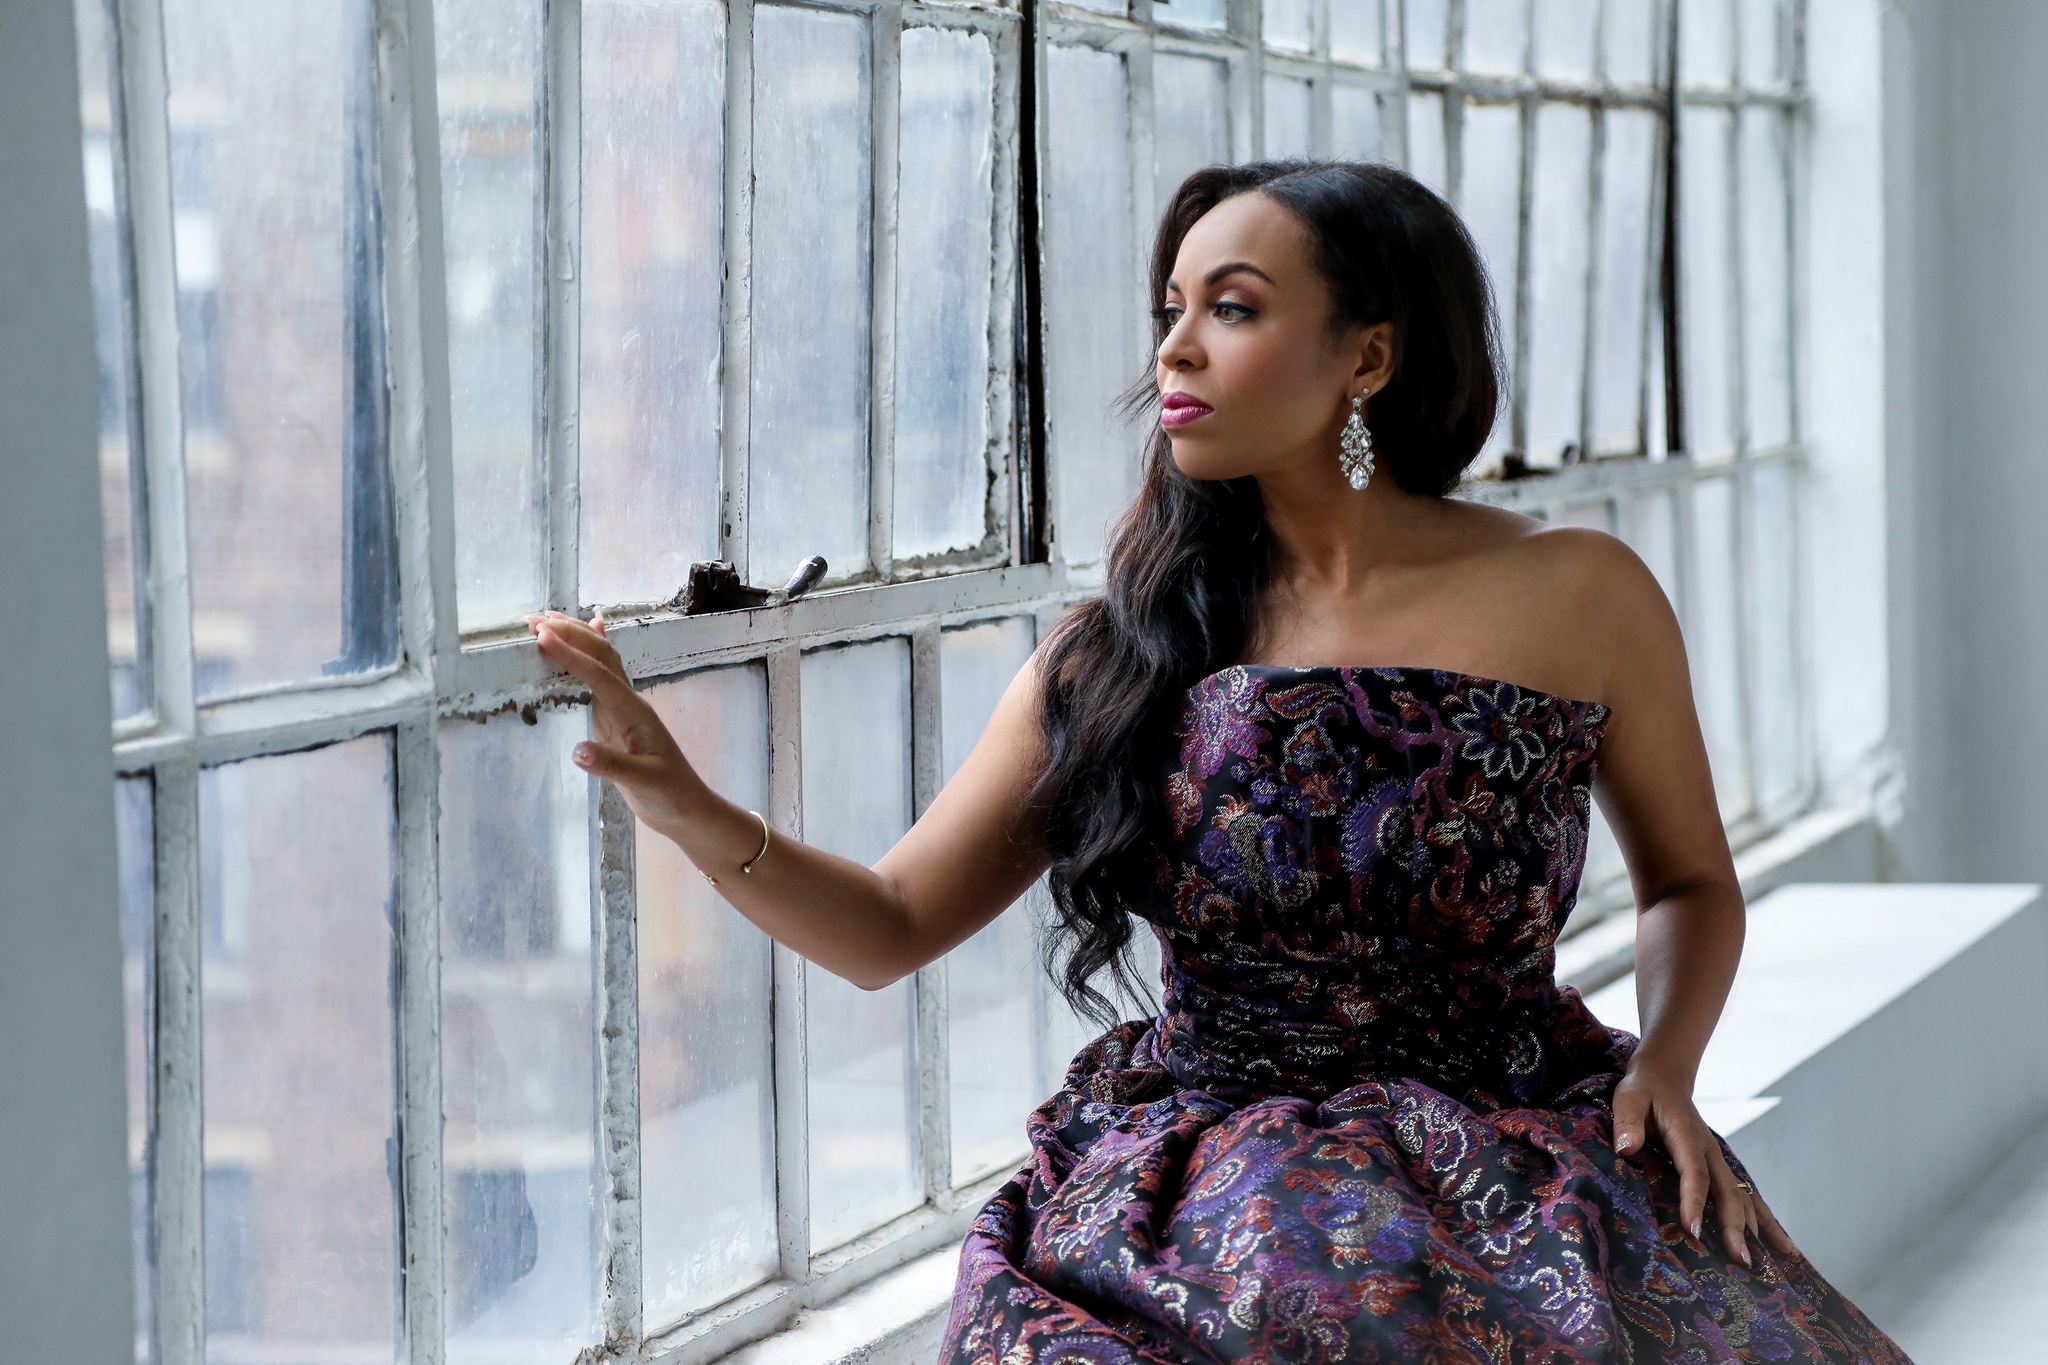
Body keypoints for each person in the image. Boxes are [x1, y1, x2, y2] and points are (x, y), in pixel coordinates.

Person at [529, 161, 1909, 1362]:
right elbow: (889, 926)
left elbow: (1689, 885)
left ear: (1366, 357)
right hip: (1208, 1180)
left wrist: (1664, 1066)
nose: (1173, 350)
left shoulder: (1581, 591)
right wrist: (688, 804)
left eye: (1231, 308)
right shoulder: (1123, 646)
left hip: (1527, 1131)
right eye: (1170, 309)